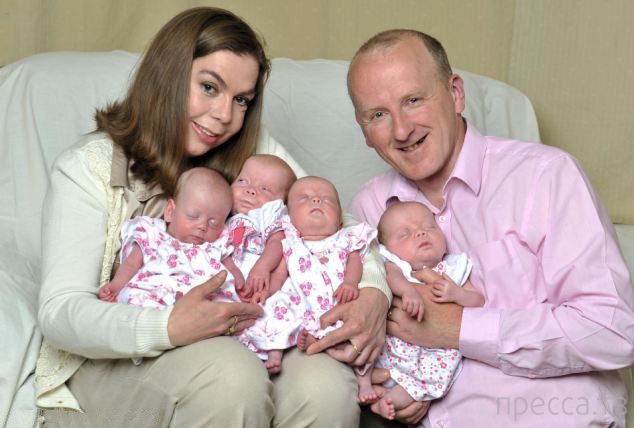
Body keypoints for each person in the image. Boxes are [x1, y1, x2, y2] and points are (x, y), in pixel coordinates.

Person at [35, 7, 389, 427]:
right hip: (116, 360)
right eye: (209, 87)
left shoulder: (250, 151)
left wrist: (373, 293)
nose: (224, 115)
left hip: (240, 333)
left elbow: (330, 218)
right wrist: (167, 326)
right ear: (166, 76)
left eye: (241, 100)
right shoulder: (88, 167)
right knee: (230, 378)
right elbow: (60, 312)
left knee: (325, 387)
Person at [344, 29, 634, 426]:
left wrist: (457, 327)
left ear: (456, 94)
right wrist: (383, 382)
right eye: (378, 114)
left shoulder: (546, 176)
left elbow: (612, 331)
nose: (401, 130)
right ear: (363, 129)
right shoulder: (368, 208)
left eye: (413, 100)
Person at [357, 201, 483, 420]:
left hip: (435, 352)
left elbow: (478, 301)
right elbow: (391, 277)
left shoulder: (453, 268)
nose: (420, 233)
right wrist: (408, 291)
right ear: (387, 249)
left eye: (429, 227)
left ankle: (388, 401)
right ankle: (366, 386)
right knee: (364, 350)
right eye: (405, 234)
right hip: (392, 345)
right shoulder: (395, 265)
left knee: (429, 378)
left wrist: (457, 294)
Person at [239, 176, 376, 374]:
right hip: (297, 299)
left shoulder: (346, 239)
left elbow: (355, 263)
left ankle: (359, 373)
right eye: (304, 198)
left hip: (334, 297)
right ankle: (274, 352)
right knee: (275, 311)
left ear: (340, 220)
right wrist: (267, 292)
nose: (316, 200)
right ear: (290, 218)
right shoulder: (290, 242)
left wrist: (350, 283)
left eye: (327, 199)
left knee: (346, 325)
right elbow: (280, 274)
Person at [98, 167, 243, 308]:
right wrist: (115, 286)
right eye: (193, 215)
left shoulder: (215, 245)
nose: (202, 226)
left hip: (200, 304)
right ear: (170, 211)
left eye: (214, 223)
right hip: (152, 293)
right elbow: (131, 264)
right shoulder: (152, 234)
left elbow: (231, 267)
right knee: (131, 296)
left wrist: (241, 283)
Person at [228, 154, 297, 303]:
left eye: (265, 189)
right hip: (225, 277)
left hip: (255, 278)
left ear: (282, 203)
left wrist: (263, 267)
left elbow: (277, 242)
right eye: (242, 181)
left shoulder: (268, 214)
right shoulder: (223, 210)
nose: (250, 190)